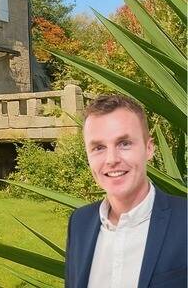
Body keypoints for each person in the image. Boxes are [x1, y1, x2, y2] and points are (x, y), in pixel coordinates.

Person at [65, 94, 186, 288]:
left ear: (149, 148)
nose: (111, 159)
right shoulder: (79, 223)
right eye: (98, 147)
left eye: (124, 143)